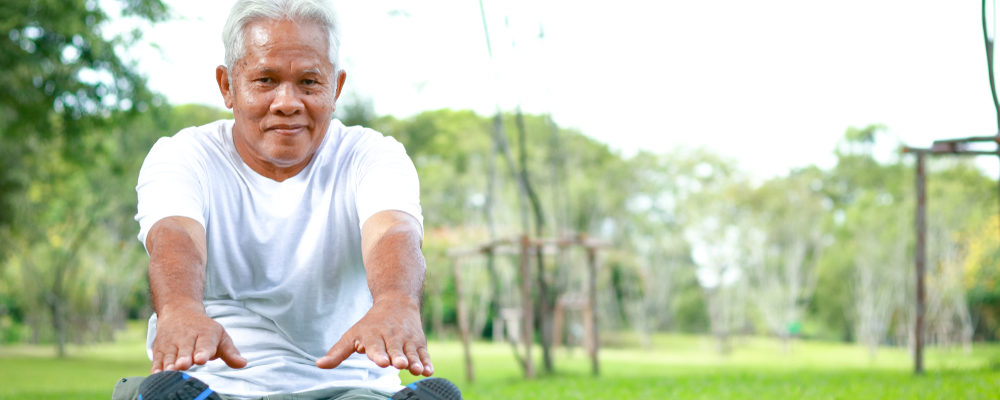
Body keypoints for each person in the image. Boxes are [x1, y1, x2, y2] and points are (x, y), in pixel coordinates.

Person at [111, 0, 460, 399]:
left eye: (309, 83)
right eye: (266, 80)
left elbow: (392, 232)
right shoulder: (184, 155)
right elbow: (175, 236)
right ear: (228, 86)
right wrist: (179, 307)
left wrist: (397, 301)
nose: (288, 102)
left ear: (336, 88)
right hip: (216, 388)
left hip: (348, 388)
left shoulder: (374, 155)